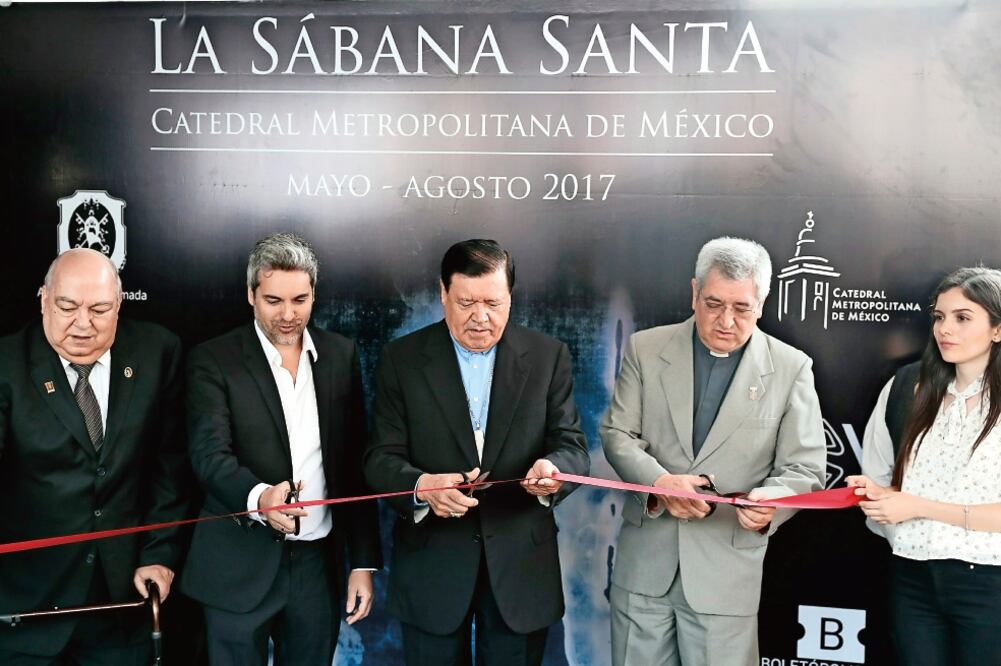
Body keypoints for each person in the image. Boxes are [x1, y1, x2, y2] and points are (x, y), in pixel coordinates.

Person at [601, 236, 826, 666]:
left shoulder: (792, 367)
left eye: (741, 308)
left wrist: (772, 504)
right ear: (693, 293)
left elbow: (805, 468)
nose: (726, 320)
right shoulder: (646, 349)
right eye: (713, 304)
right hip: (644, 572)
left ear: (761, 302)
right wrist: (660, 483)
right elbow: (617, 432)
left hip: (727, 574)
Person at [364, 239, 590, 666]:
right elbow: (380, 458)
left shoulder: (547, 357)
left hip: (521, 567)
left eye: (493, 302)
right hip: (432, 566)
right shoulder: (402, 359)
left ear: (510, 297)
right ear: (443, 294)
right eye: (466, 302)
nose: (480, 317)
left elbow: (572, 446)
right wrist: (421, 486)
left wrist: (553, 469)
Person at [180, 233, 382, 666]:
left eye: (300, 299)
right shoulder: (213, 360)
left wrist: (362, 561)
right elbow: (209, 455)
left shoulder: (339, 355)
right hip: (237, 562)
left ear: (314, 294)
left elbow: (351, 464)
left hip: (316, 565)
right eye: (273, 300)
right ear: (250, 294)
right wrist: (260, 498)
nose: (288, 315)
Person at [0, 248, 189, 665]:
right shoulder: (7, 364)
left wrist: (158, 555)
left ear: (120, 305)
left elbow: (170, 469)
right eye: (67, 307)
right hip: (25, 606)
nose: (83, 324)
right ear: (43, 299)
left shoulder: (158, 352)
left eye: (99, 309)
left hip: (121, 603)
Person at [848, 266, 1001, 666]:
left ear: (997, 330)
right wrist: (881, 500)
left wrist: (916, 506)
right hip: (912, 576)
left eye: (963, 318)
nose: (945, 329)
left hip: (989, 582)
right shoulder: (907, 387)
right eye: (939, 317)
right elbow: (885, 477)